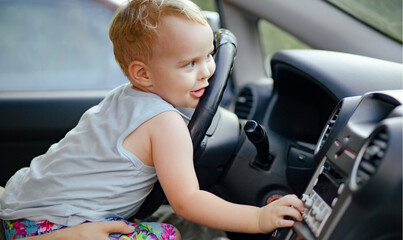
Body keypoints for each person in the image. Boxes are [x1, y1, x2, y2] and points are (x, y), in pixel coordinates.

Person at [0, 0, 304, 239]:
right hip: (52, 227)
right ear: (143, 74)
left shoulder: (124, 96)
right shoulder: (165, 123)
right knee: (169, 233)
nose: (207, 71)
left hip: (21, 209)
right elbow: (188, 201)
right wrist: (258, 218)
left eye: (210, 55)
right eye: (189, 64)